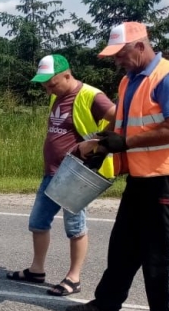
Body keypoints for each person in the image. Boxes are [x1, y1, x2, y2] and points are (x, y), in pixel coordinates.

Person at [70, 22, 169, 311]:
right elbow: (124, 129)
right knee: (124, 244)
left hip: (168, 175)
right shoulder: (128, 81)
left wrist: (127, 143)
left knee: (160, 249)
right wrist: (102, 146)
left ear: (140, 46)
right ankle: (107, 304)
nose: (117, 60)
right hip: (139, 173)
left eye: (120, 54)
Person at [6, 54, 116, 296]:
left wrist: (97, 142)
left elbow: (118, 117)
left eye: (52, 84)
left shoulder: (91, 96)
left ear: (68, 75)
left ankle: (73, 278)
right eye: (44, 86)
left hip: (77, 174)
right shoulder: (57, 96)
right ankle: (37, 270)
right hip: (53, 173)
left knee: (75, 228)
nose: (48, 90)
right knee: (37, 223)